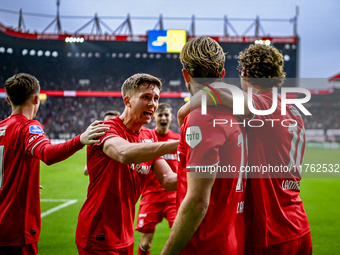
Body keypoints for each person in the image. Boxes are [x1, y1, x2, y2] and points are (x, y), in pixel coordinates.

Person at [177, 44, 312, 254]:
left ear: (244, 74)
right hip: (298, 223)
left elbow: (219, 91)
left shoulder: (262, 106)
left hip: (270, 231)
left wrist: (183, 112)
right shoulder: (292, 110)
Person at [0, 73, 109, 255]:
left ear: (9, 100)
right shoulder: (28, 126)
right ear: (37, 98)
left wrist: (17, 182)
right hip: (17, 227)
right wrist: (80, 140)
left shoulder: (2, 126)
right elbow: (47, 154)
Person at [161, 36, 248, 255]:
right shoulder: (235, 114)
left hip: (203, 245)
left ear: (185, 74)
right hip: (228, 238)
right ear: (222, 75)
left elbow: (198, 202)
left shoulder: (202, 117)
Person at [75, 73, 178, 255]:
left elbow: (168, 179)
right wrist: (184, 143)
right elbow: (124, 153)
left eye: (156, 98)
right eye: (146, 97)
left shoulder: (149, 136)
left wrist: (207, 174)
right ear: (127, 100)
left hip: (125, 232)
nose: (153, 104)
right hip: (99, 231)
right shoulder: (104, 129)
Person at [136, 103, 180, 255]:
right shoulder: (148, 139)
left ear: (171, 117)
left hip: (172, 197)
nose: (163, 118)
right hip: (151, 196)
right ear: (154, 117)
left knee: (181, 236)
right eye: (160, 115)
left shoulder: (177, 139)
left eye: (166, 115)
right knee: (146, 243)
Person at [83, 110, 121, 175]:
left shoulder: (124, 139)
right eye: (106, 122)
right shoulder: (95, 141)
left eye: (112, 122)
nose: (109, 125)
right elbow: (86, 170)